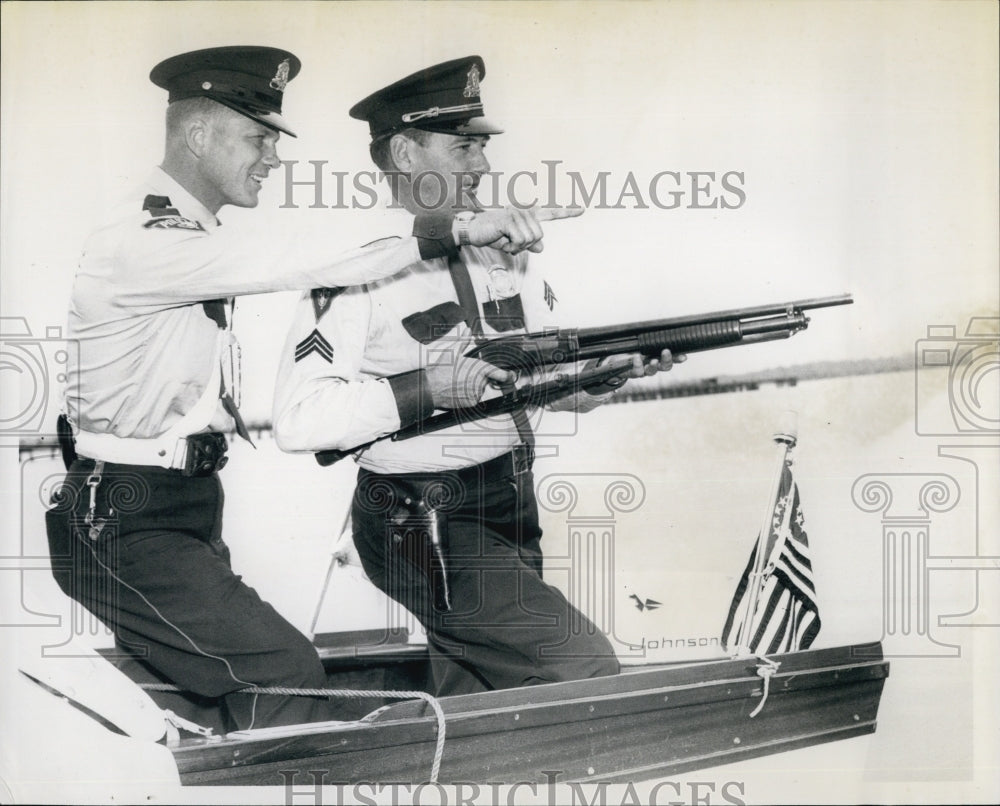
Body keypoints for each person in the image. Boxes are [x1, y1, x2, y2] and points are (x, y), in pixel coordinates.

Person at [44, 46, 578, 732]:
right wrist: (457, 227)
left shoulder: (192, 235)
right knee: (285, 676)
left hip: (176, 506)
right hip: (121, 514)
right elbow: (291, 257)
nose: (272, 157)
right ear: (198, 134)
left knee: (198, 705)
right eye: (258, 137)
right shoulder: (146, 240)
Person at [273, 56, 679, 697]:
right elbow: (300, 421)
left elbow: (517, 381)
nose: (483, 168)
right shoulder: (355, 267)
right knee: (580, 665)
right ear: (406, 154)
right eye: (464, 149)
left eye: (482, 149)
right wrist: (429, 387)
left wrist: (596, 379)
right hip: (419, 516)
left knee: (487, 697)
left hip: (510, 498)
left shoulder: (498, 250)